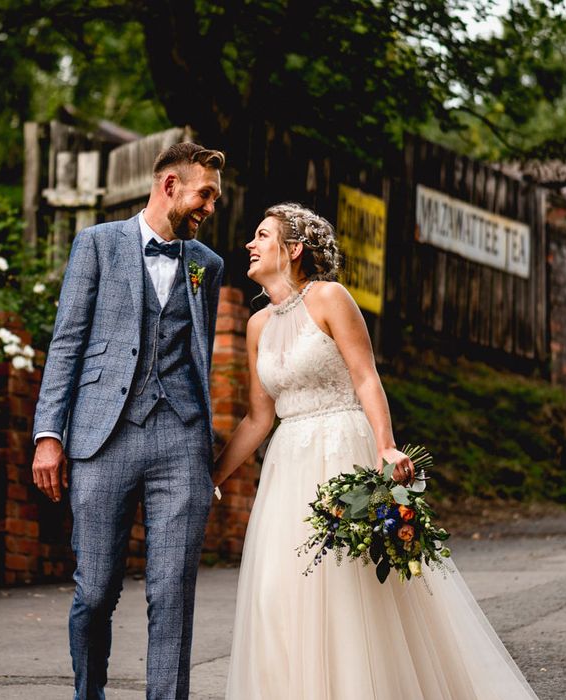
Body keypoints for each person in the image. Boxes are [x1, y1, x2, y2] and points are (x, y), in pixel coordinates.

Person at [214, 202, 539, 699]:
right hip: (286, 464)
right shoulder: (257, 325)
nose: (249, 245)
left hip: (340, 449)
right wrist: (212, 477)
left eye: (261, 235)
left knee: (346, 588)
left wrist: (386, 446)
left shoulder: (329, 297)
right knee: (277, 591)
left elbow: (366, 377)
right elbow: (259, 417)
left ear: (294, 249)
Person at [31, 142, 225, 700]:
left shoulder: (204, 265)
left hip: (181, 438)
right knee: (95, 590)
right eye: (204, 194)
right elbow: (66, 342)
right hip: (101, 435)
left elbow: (200, 352)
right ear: (169, 185)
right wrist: (49, 435)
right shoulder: (96, 244)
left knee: (172, 592)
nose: (209, 207)